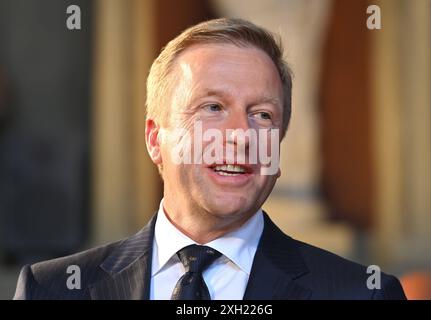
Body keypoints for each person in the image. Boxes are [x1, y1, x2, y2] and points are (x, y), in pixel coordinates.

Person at [13, 18, 406, 300]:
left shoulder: (363, 293)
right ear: (155, 139)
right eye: (213, 107)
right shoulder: (51, 289)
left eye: (263, 115)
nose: (241, 134)